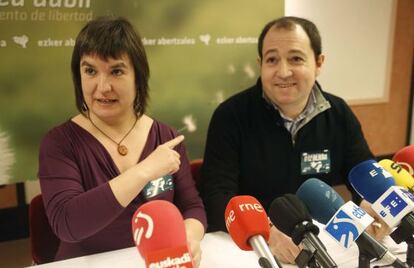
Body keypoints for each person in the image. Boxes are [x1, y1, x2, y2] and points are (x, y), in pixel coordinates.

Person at [200, 16, 389, 264]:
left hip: (328, 245)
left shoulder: (338, 112)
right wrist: (265, 233)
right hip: (253, 248)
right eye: (272, 59)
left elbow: (362, 173)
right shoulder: (230, 115)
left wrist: (371, 206)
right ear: (260, 64)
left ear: (319, 62)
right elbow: (216, 196)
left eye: (296, 58)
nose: (283, 71)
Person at [38, 16, 206, 265]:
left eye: (116, 71)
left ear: (138, 76)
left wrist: (188, 237)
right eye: (90, 71)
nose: (102, 87)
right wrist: (143, 171)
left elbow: (192, 207)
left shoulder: (166, 137)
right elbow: (67, 223)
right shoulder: (59, 143)